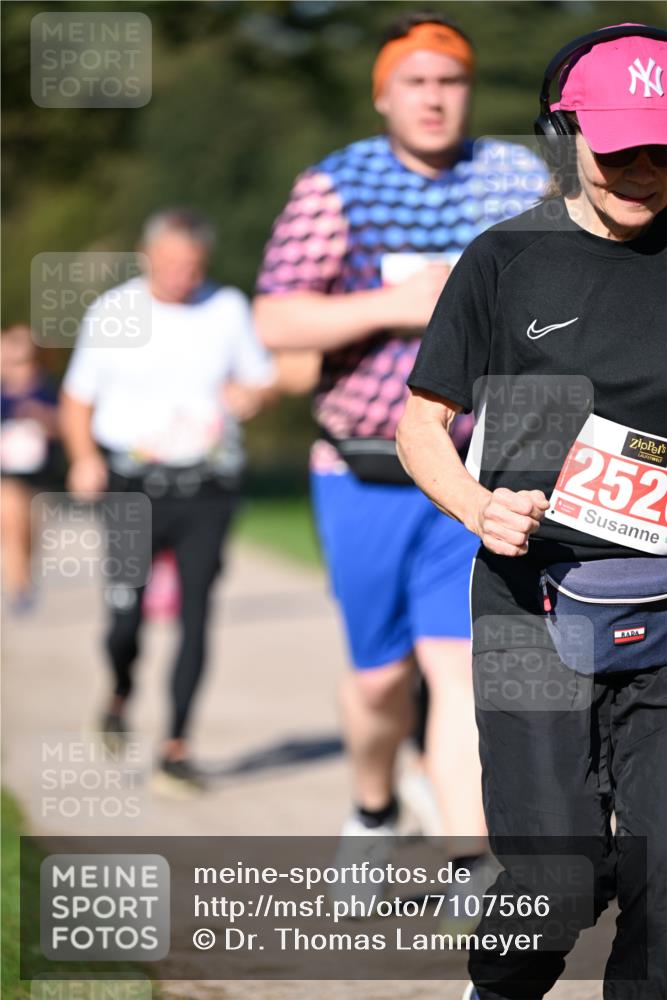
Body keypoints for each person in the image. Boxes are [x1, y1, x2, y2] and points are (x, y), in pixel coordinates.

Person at [398, 24, 667, 999]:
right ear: (567, 135)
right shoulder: (508, 258)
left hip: (665, 614)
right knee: (554, 886)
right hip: (529, 603)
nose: (641, 167)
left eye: (663, 148)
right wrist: (477, 507)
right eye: (619, 145)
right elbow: (420, 424)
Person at [254, 10, 547, 874]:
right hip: (364, 472)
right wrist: (397, 303)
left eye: (450, 81)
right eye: (415, 82)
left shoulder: (510, 176)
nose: (433, 97)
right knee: (381, 680)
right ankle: (373, 807)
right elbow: (275, 315)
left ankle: (472, 864)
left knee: (458, 671)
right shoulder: (335, 185)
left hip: (470, 472)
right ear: (383, 94)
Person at [60, 209, 275, 794]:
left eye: (194, 266)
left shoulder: (227, 308)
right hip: (133, 487)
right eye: (173, 264)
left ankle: (177, 745)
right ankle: (119, 691)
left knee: (197, 614)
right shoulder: (115, 311)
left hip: (207, 486)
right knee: (124, 619)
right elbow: (76, 398)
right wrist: (83, 458)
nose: (184, 275)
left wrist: (250, 397)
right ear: (146, 257)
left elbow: (259, 380)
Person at [1, 324, 60, 612]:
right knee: (12, 524)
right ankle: (18, 587)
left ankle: (25, 576)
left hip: (38, 472)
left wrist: (43, 420)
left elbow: (64, 424)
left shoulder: (45, 388)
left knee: (30, 530)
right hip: (6, 473)